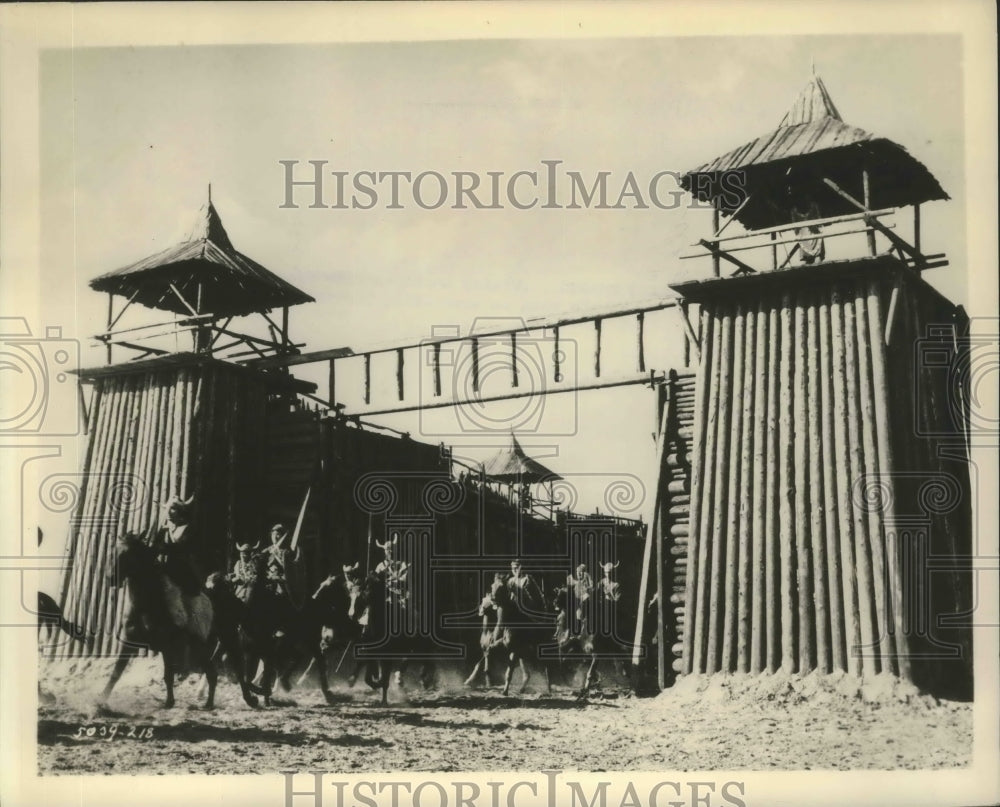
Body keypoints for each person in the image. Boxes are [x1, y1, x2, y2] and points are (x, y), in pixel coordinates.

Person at [152, 495, 204, 595]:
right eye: (167, 508)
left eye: (173, 509)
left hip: (183, 572)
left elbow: (180, 549)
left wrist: (163, 547)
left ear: (180, 511)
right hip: (167, 569)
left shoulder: (187, 528)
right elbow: (155, 549)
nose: (168, 512)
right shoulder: (164, 529)